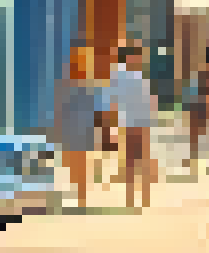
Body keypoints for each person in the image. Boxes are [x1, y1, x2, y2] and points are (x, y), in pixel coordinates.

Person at [52, 46, 104, 210]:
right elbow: (58, 108)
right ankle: (79, 193)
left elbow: (96, 108)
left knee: (78, 161)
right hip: (72, 127)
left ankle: (81, 195)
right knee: (72, 161)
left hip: (81, 127)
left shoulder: (89, 85)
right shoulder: (65, 85)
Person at [108, 46, 159, 209]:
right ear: (128, 57)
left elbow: (148, 101)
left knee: (138, 160)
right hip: (130, 124)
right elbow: (114, 104)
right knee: (133, 161)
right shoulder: (121, 76)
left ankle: (142, 197)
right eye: (135, 57)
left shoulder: (137, 76)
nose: (137, 60)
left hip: (139, 123)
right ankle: (134, 197)